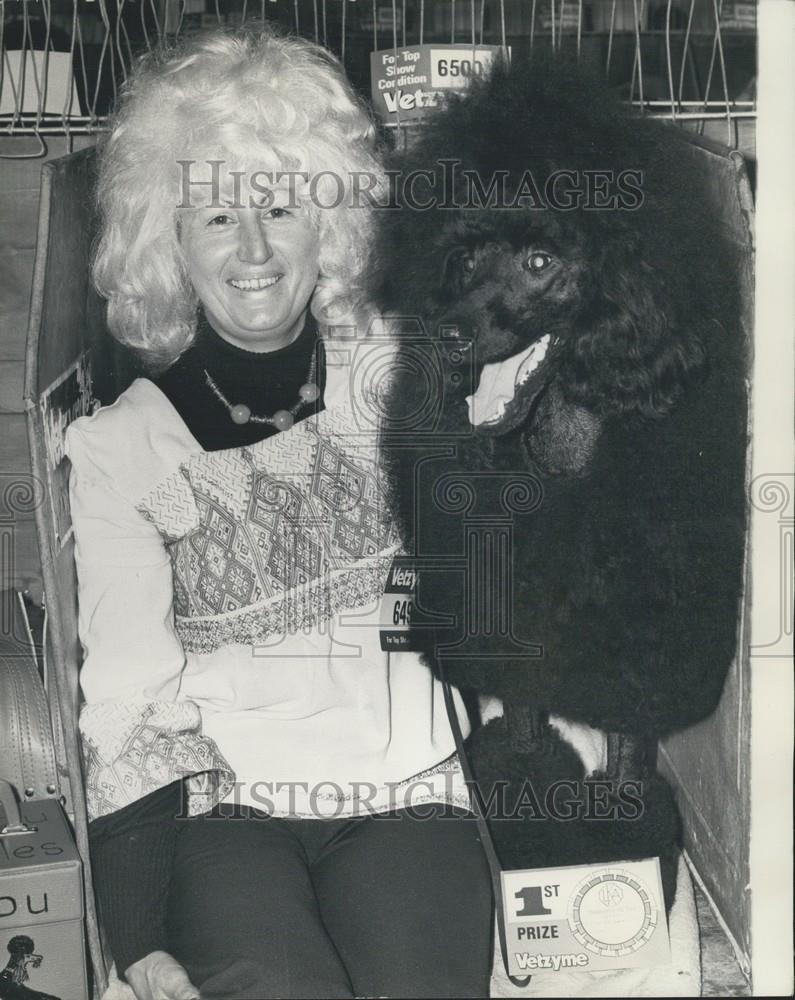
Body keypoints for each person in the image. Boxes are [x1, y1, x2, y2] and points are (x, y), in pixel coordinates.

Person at [64, 25, 493, 1000]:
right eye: (216, 216)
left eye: (280, 205)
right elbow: (130, 699)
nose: (252, 248)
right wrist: (135, 937)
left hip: (409, 798)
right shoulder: (119, 447)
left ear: (328, 224)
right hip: (226, 822)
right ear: (168, 238)